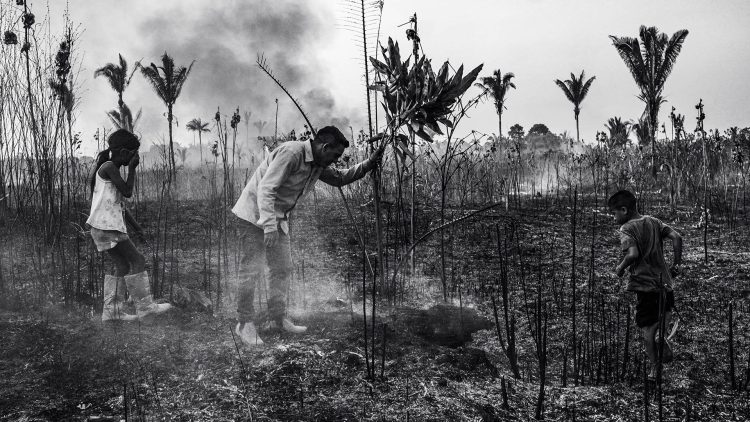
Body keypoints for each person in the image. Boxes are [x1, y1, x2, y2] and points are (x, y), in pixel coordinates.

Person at [232, 126, 384, 346]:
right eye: (335, 155)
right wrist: (269, 227)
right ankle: (244, 324)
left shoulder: (318, 164)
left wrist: (369, 164)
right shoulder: (292, 153)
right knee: (251, 269)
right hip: (253, 215)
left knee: (282, 267)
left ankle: (277, 318)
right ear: (324, 147)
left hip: (276, 218)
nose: (335, 161)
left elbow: (340, 178)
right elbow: (266, 188)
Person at [87, 129, 172, 322]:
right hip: (108, 227)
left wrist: (137, 228)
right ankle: (146, 309)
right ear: (125, 152)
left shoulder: (108, 169)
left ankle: (112, 311)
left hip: (101, 228)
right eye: (134, 153)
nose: (136, 157)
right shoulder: (109, 167)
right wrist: (132, 169)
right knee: (138, 260)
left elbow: (120, 206)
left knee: (122, 265)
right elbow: (127, 192)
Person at [608, 190, 682, 379]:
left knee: (648, 330)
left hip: (645, 287)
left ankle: (654, 369)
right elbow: (677, 237)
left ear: (624, 210)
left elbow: (632, 254)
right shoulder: (654, 222)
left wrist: (621, 267)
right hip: (665, 284)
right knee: (663, 318)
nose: (614, 217)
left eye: (614, 213)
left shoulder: (626, 229)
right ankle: (662, 335)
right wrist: (676, 264)